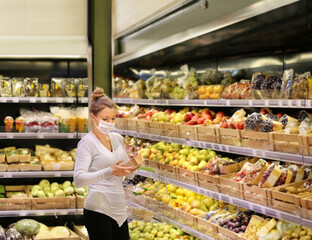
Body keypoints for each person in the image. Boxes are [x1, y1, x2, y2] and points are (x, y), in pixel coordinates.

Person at [74, 87, 136, 240]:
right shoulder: (87, 143)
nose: (110, 123)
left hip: (120, 210)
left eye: (113, 119)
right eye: (105, 119)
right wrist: (109, 171)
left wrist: (133, 166)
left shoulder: (117, 138)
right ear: (93, 118)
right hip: (99, 210)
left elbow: (130, 175)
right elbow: (79, 180)